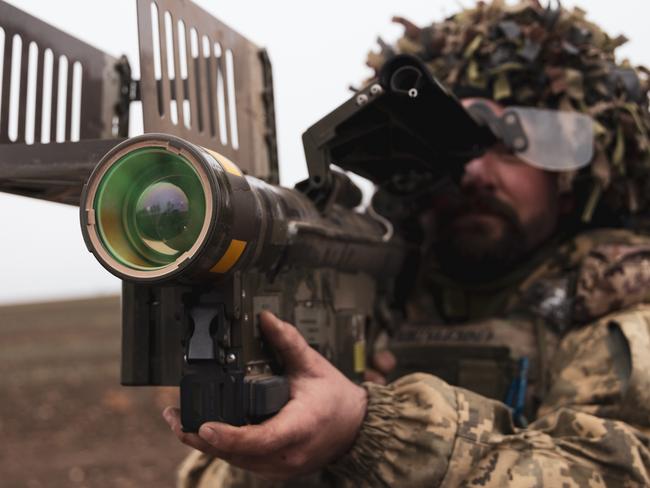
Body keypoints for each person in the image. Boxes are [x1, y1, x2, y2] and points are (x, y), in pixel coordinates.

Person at [163, 1, 650, 486]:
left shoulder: (619, 301)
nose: (477, 172)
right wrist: (281, 443)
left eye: (510, 148)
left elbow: (613, 470)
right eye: (459, 149)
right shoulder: (382, 291)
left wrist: (368, 429)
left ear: (568, 184)